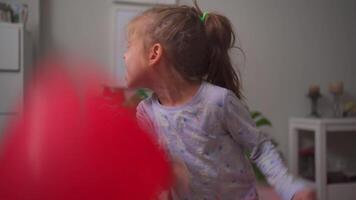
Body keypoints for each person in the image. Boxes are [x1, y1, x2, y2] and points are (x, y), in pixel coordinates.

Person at [124, 1, 316, 199]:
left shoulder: (217, 101)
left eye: (129, 46)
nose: (124, 55)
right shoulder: (145, 112)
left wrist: (291, 188)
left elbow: (260, 148)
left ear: (154, 53)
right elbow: (154, 169)